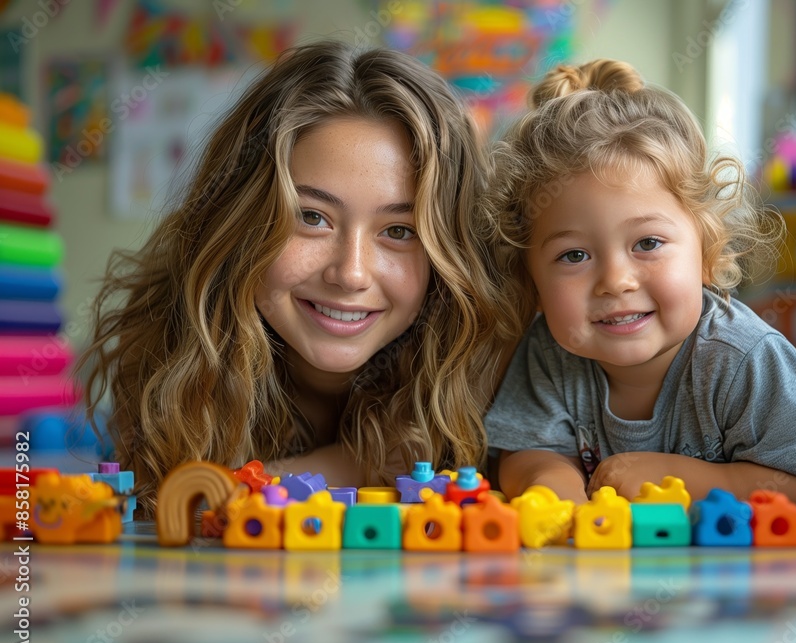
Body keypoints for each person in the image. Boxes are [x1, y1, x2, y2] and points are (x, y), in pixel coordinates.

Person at [78, 41, 531, 517]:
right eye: (312, 217)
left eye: (399, 230)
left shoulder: (489, 343)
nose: (350, 273)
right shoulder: (166, 349)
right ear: (239, 220)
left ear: (448, 254)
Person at [481, 59, 796, 506]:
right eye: (574, 255)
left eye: (647, 243)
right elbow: (525, 453)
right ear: (528, 280)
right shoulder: (550, 354)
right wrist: (554, 487)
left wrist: (687, 478)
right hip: (777, 410)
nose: (615, 280)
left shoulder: (743, 356)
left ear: (706, 253)